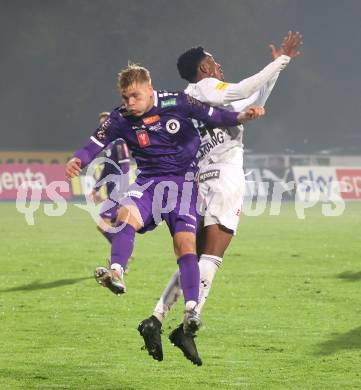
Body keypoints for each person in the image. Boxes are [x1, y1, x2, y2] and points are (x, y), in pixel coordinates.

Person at [65, 64, 265, 345]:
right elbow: (94, 142)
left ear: (149, 89)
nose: (129, 103)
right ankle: (117, 272)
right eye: (125, 98)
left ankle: (192, 310)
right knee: (125, 217)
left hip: (183, 185)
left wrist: (241, 116)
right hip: (148, 184)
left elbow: (214, 115)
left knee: (185, 245)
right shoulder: (120, 118)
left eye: (134, 96)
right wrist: (78, 160)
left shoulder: (178, 102)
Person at [138, 31, 302, 365]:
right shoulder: (206, 87)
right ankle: (188, 324)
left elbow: (249, 101)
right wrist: (282, 59)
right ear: (204, 67)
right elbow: (242, 90)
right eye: (214, 61)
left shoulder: (191, 99)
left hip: (201, 179)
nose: (219, 65)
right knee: (213, 255)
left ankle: (155, 318)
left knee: (195, 258)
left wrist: (276, 69)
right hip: (225, 177)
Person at [91, 112, 130, 243]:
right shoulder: (108, 145)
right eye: (102, 123)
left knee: (102, 224)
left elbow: (125, 165)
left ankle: (122, 251)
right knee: (114, 225)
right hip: (111, 190)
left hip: (117, 190)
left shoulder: (119, 142)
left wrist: (122, 188)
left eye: (106, 122)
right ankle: (121, 255)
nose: (104, 125)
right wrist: (96, 188)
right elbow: (106, 170)